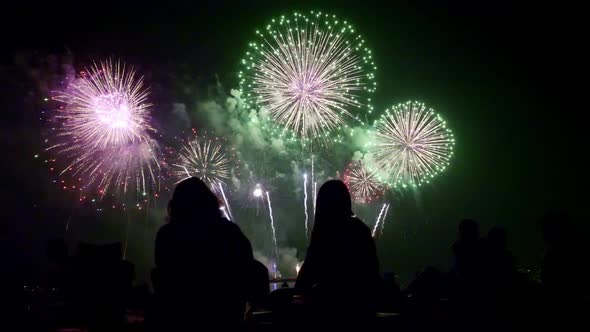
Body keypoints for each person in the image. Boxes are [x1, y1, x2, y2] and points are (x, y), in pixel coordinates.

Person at [150, 177, 256, 331]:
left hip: (179, 317)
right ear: (210, 202)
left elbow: (164, 276)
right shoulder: (230, 232)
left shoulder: (167, 235)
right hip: (225, 317)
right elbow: (247, 272)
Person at [296, 179, 381, 325]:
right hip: (363, 311)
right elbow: (372, 273)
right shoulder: (361, 230)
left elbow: (305, 279)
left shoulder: (325, 234)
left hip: (332, 313)